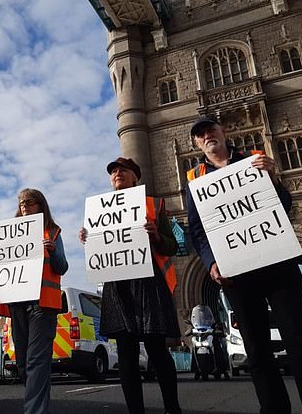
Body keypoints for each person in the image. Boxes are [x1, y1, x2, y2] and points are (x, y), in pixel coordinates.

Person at [186, 115, 302, 414]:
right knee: (256, 351)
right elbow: (197, 230)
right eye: (200, 135)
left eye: (211, 130)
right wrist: (210, 262)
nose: (207, 136)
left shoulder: (254, 163)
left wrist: (273, 179)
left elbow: (283, 205)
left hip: (277, 265)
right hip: (236, 274)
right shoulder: (195, 180)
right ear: (196, 143)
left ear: (224, 131)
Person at [79, 158, 182, 414]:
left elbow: (172, 245)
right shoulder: (100, 211)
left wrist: (157, 235)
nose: (116, 174)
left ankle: (173, 408)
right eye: (113, 171)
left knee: (157, 349)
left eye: (122, 170)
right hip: (117, 285)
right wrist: (88, 239)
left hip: (148, 282)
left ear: (135, 176)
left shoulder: (154, 204)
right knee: (126, 352)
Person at [0, 188, 68, 414]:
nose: (24, 206)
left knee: (36, 362)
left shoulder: (52, 232)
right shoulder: (9, 235)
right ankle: (39, 405)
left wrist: (52, 252)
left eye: (29, 202)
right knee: (23, 364)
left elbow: (62, 267)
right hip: (17, 305)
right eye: (21, 203)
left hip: (42, 305)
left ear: (40, 205)